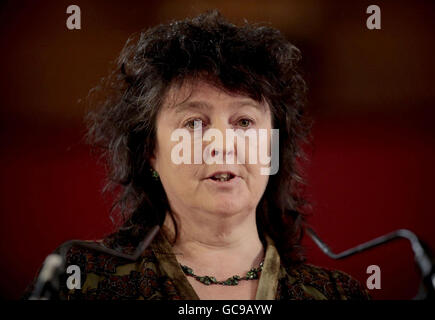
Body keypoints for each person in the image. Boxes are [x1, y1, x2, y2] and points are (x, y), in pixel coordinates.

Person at [24, 10, 370, 300]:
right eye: (194, 123)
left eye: (244, 121)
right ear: (150, 153)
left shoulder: (338, 295)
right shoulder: (81, 283)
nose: (223, 142)